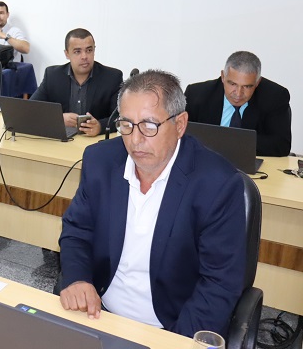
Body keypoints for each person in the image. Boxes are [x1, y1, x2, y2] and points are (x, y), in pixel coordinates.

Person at [58, 70, 245, 338]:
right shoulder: (100, 161)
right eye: (126, 124)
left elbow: (219, 282)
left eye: (149, 126)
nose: (135, 140)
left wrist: (174, 342)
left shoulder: (217, 184)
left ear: (180, 124)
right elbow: (77, 230)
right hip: (97, 312)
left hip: (171, 326)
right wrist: (77, 279)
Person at [184, 51, 291, 157]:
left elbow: (281, 145)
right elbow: (180, 134)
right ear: (223, 77)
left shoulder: (275, 97)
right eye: (232, 84)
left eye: (247, 86)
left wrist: (227, 141)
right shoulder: (196, 94)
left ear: (257, 82)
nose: (238, 93)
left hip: (250, 164)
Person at [31, 28, 123, 136]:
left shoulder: (112, 78)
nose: (84, 56)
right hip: (63, 140)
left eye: (89, 50)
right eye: (77, 51)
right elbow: (31, 109)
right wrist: (57, 118)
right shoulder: (53, 76)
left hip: (95, 141)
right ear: (67, 54)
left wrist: (100, 126)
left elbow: (121, 117)